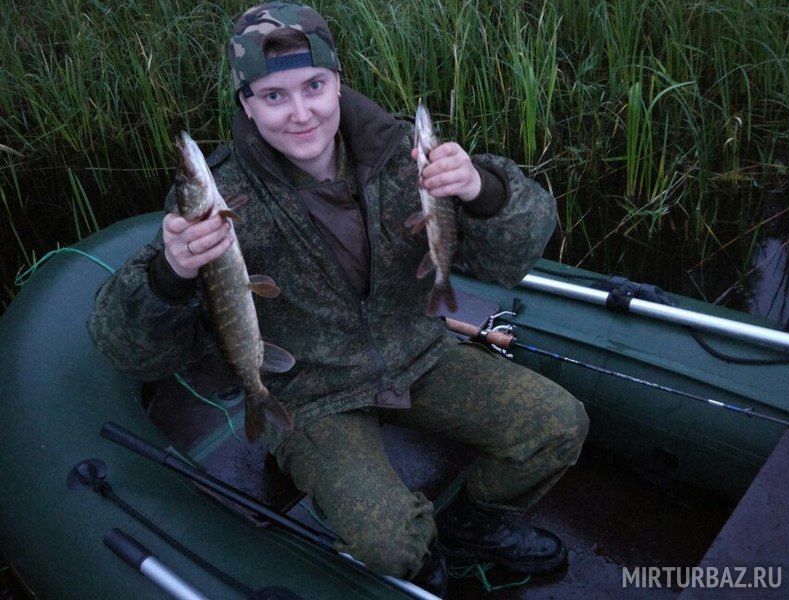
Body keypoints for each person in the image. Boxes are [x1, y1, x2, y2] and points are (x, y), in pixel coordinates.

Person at [88, 2, 589, 596]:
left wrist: (484, 190)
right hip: (311, 393)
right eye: (274, 96)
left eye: (314, 86)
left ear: (338, 81)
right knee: (390, 543)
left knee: (560, 425)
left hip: (418, 354)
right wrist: (170, 274)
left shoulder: (403, 154)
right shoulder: (216, 197)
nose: (301, 113)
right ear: (247, 103)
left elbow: (513, 257)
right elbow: (133, 352)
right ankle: (421, 558)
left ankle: (473, 521)